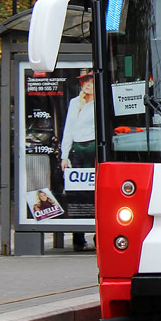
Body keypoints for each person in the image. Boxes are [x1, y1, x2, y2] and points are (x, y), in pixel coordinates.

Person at [59, 70, 96, 251]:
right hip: (78, 148)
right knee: (77, 191)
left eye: (91, 81)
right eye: (85, 82)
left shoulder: (100, 103)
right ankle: (78, 235)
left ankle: (98, 233)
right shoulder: (75, 103)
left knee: (95, 190)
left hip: (94, 147)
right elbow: (69, 129)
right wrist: (64, 155)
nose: (88, 85)